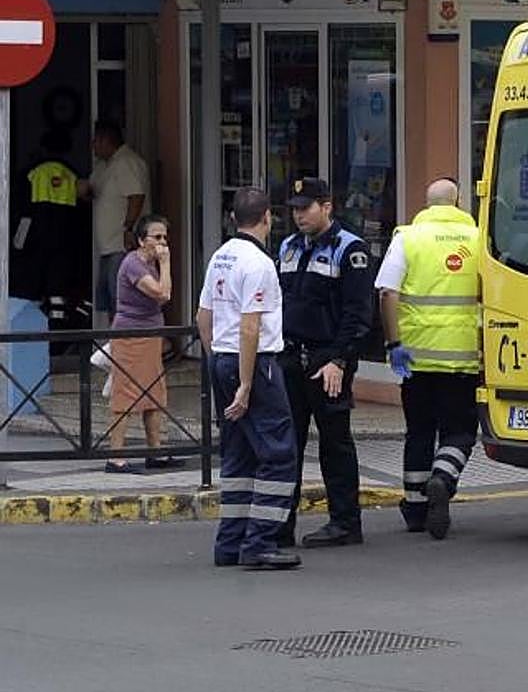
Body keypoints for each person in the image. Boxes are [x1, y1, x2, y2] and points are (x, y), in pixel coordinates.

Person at [196, 187, 300, 570]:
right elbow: (251, 328)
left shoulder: (220, 257)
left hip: (222, 358)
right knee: (278, 454)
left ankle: (230, 542)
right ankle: (259, 544)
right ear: (267, 217)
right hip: (254, 364)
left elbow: (202, 318)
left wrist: (216, 364)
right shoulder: (258, 263)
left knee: (238, 453)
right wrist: (245, 382)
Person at [375, 178, 481, 540]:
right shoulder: (478, 239)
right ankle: (444, 477)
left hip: (416, 357)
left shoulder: (408, 237)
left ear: (427, 203)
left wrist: (393, 343)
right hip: (463, 358)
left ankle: (416, 509)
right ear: (459, 202)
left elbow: (388, 292)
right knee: (460, 430)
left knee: (419, 430)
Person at [276, 177, 373, 549]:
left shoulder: (350, 250)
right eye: (295, 209)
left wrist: (338, 360)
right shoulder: (287, 247)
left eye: (306, 207)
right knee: (287, 445)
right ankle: (280, 524)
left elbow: (358, 315)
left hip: (326, 361)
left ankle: (345, 523)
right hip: (290, 358)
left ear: (327, 206)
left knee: (335, 444)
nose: (299, 215)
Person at [104, 214, 184, 473]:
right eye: (156, 237)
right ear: (141, 240)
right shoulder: (133, 265)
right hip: (130, 336)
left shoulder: (150, 264)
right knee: (125, 394)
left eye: (164, 237)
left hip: (150, 335)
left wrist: (162, 263)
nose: (162, 242)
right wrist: (167, 262)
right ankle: (116, 456)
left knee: (154, 392)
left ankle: (155, 451)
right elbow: (163, 294)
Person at [79, 120, 150, 326]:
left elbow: (136, 196)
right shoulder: (103, 165)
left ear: (106, 140)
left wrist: (128, 228)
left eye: (95, 142)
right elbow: (93, 190)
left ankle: (123, 347)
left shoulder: (127, 162)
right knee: (109, 298)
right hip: (107, 246)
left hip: (122, 245)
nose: (92, 147)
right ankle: (114, 346)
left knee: (121, 299)